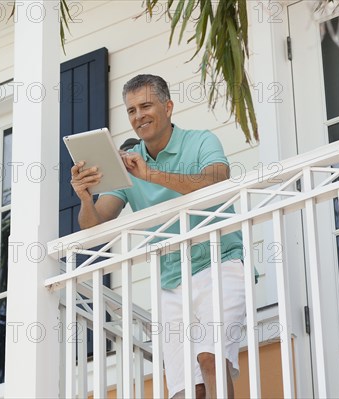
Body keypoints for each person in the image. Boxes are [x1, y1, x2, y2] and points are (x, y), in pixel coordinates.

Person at [70, 74, 245, 399]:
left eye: (146, 105)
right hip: (169, 281)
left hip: (219, 263)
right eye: (132, 110)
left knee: (210, 357)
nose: (139, 116)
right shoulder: (127, 162)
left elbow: (216, 181)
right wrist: (84, 197)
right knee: (183, 390)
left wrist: (150, 174)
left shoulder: (201, 140)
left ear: (167, 106)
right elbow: (94, 227)